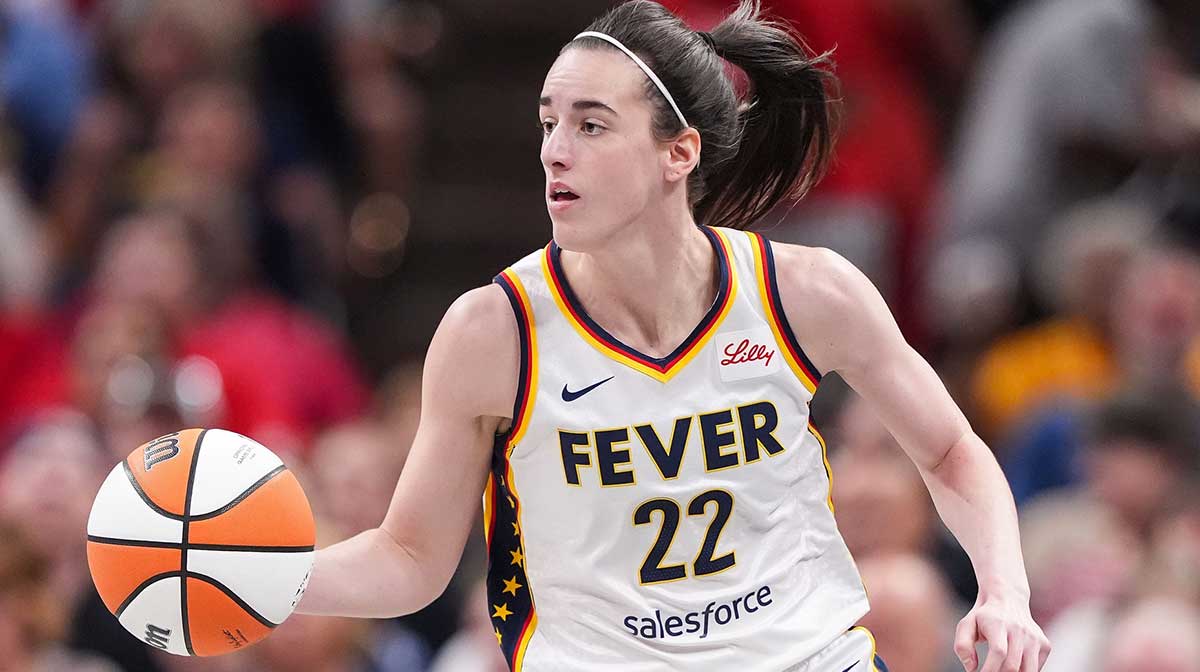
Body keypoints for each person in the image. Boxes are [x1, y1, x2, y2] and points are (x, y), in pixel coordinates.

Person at [296, 2, 1050, 670]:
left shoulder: (803, 292)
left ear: (678, 153)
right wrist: (258, 580)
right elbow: (411, 558)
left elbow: (951, 452)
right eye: (548, 121)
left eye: (591, 124)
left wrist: (1006, 592)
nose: (554, 149)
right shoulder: (495, 331)